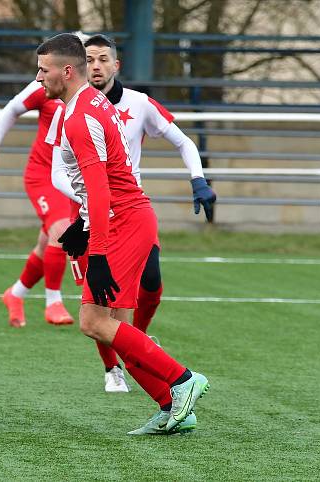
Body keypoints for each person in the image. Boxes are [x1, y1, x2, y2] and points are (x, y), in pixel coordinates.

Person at [37, 33, 209, 435]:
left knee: (93, 322)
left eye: (43, 70)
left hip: (122, 221)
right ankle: (171, 408)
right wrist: (83, 223)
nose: (39, 77)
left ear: (65, 71)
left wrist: (96, 253)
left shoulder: (80, 116)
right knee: (120, 326)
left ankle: (184, 380)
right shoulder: (92, 102)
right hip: (124, 216)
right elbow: (106, 177)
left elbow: (100, 188)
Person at [0, 81, 78, 328]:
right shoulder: (47, 85)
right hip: (43, 176)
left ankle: (16, 293)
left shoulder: (94, 94)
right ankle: (53, 302)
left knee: (47, 244)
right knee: (62, 229)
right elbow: (12, 108)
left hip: (72, 178)